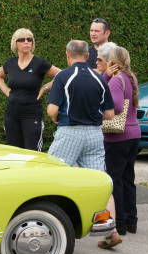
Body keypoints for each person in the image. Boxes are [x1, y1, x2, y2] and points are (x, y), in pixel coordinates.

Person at [96, 44, 141, 249]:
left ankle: (120, 223)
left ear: (112, 61)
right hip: (133, 133)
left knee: (115, 180)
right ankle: (132, 220)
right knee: (128, 178)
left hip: (117, 136)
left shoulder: (116, 80)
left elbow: (113, 106)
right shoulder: (130, 77)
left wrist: (106, 78)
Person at [47, 40, 114, 170]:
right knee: (97, 179)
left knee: (53, 171)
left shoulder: (62, 76)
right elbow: (110, 114)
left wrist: (55, 118)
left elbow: (52, 110)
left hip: (70, 132)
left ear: (67, 54)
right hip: (95, 134)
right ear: (87, 55)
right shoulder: (100, 78)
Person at [0, 28, 60, 150]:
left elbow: (62, 75)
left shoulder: (39, 63)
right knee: (13, 151)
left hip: (32, 114)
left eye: (29, 39)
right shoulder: (10, 63)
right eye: (22, 40)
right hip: (11, 114)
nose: (26, 42)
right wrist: (7, 91)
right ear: (15, 43)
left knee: (32, 152)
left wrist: (45, 87)